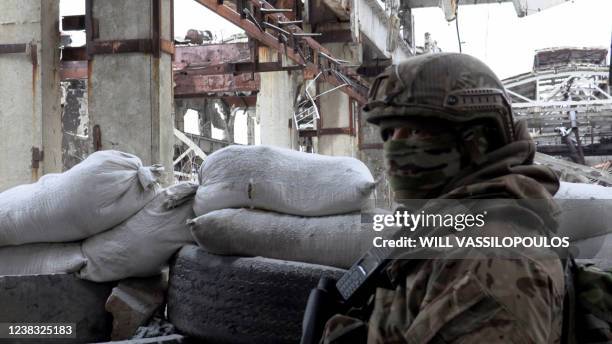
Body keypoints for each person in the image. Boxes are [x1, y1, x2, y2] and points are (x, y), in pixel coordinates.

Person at [320, 53, 565, 343]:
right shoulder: (442, 237)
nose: (395, 147)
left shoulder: (496, 261)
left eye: (416, 130)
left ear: (479, 140)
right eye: (389, 133)